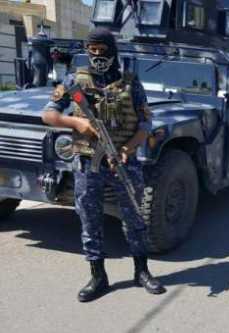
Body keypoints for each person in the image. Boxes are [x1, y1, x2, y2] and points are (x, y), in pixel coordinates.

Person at [42, 27, 166, 302]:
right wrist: (76, 122)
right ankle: (98, 276)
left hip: (124, 161)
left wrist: (128, 148)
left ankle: (142, 271)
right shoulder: (75, 80)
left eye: (103, 50)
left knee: (135, 215)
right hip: (88, 162)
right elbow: (48, 115)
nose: (98, 56)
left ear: (113, 51)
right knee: (90, 218)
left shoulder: (131, 83)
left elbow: (146, 123)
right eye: (92, 50)